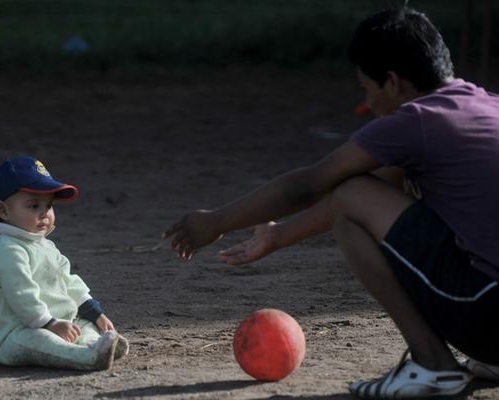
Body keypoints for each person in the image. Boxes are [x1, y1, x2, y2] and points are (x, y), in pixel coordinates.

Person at [164, 7, 499, 399]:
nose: (368, 102)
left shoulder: (418, 121)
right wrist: (279, 236)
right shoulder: (486, 104)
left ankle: (433, 365)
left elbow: (311, 186)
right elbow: (379, 188)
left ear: (392, 82)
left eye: (366, 89)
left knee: (349, 194)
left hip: (486, 310)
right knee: (361, 195)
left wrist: (218, 220)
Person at [0, 156, 129, 371]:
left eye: (49, 205)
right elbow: (21, 294)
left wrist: (94, 312)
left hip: (59, 323)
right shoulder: (8, 248)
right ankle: (88, 357)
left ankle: (95, 345)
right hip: (17, 334)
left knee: (84, 325)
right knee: (41, 339)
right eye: (34, 206)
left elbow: (68, 281)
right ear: (4, 210)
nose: (45, 214)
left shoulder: (45, 245)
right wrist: (49, 323)